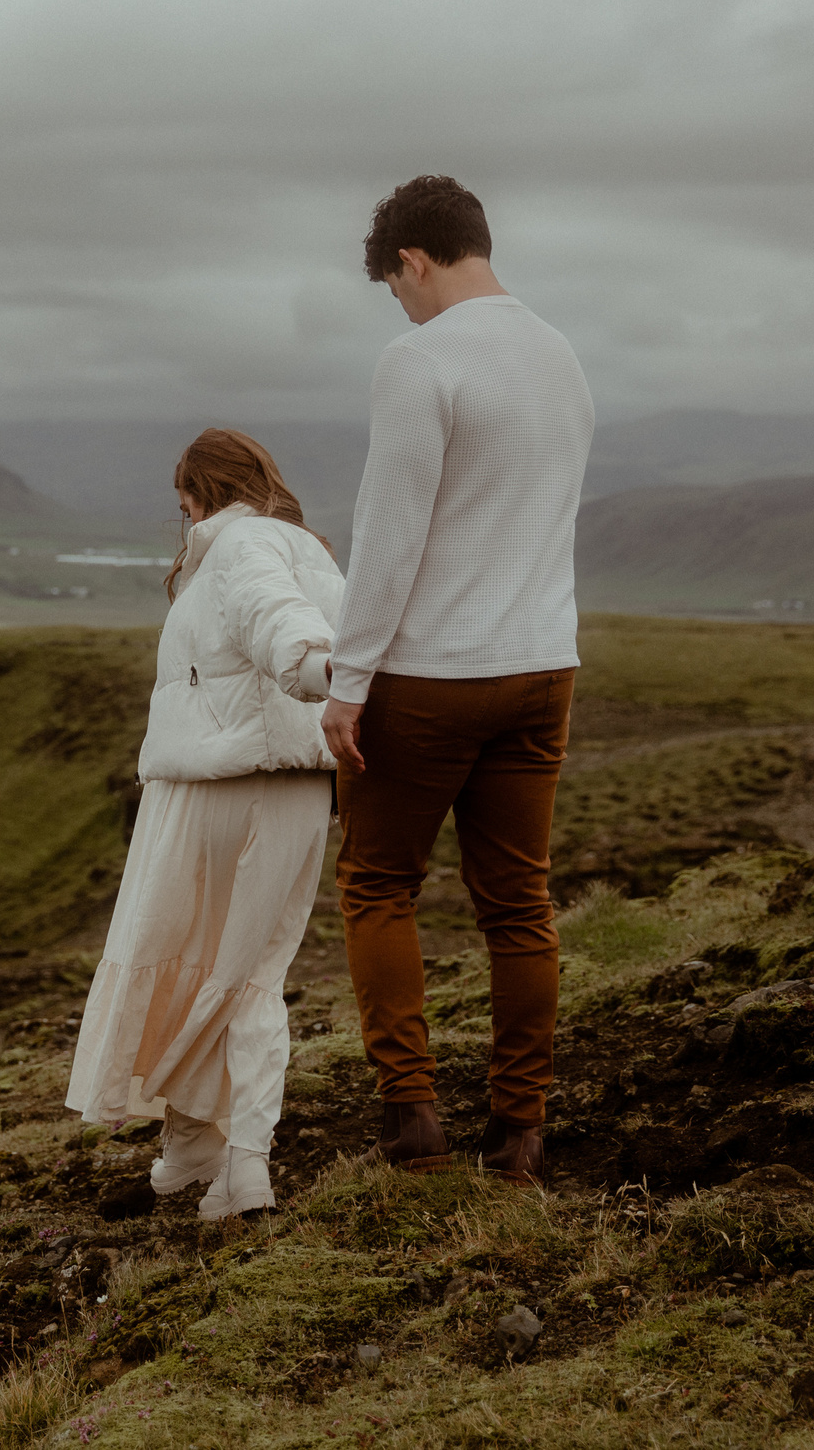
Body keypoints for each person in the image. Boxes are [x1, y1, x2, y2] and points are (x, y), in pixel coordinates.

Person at [322, 174, 593, 1188]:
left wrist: (349, 681)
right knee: (518, 903)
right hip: (541, 667)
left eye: (397, 288)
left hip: (431, 676)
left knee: (376, 883)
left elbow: (388, 538)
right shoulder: (561, 356)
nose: (402, 306)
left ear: (413, 261)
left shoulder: (419, 359)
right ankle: (518, 1133)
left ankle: (412, 1118)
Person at [64, 428, 346, 1219]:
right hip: (300, 789)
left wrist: (314, 667)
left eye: (182, 498)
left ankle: (224, 1159)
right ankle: (213, 1156)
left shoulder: (242, 542)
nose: (181, 513)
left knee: (191, 958)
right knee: (244, 973)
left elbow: (278, 622)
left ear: (200, 492)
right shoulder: (313, 551)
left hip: (217, 784)